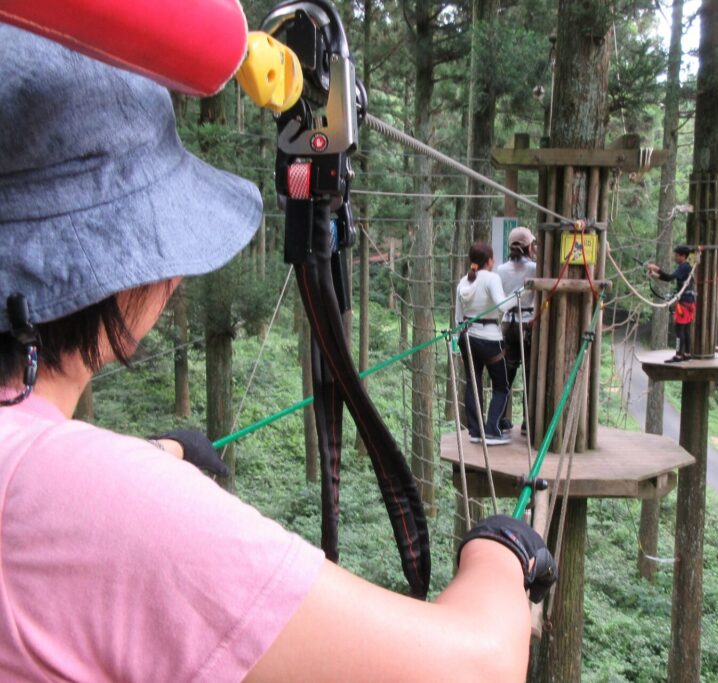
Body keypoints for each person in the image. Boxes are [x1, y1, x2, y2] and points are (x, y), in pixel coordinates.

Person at [0, 26, 554, 682]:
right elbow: (478, 667)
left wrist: (159, 456)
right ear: (127, 271)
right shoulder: (91, 502)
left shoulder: (52, 488)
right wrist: (501, 549)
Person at [455, 243, 517, 445]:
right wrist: (519, 295)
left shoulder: (463, 282)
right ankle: (492, 429)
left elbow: (458, 317)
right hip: (489, 338)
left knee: (473, 382)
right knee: (502, 385)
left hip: (466, 337)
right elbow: (502, 306)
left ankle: (475, 431)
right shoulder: (491, 278)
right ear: (489, 261)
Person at [496, 226, 537, 436]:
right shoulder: (535, 269)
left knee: (506, 374)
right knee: (530, 374)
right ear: (529, 246)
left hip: (507, 324)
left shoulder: (501, 270)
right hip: (528, 323)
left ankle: (499, 419)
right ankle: (528, 424)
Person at [647, 245, 697, 362]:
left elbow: (669, 277)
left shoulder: (684, 266)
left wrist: (656, 268)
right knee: (686, 330)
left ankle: (679, 355)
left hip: (684, 304)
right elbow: (669, 278)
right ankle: (687, 353)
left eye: (677, 255)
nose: (675, 257)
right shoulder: (687, 266)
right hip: (689, 303)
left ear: (682, 256)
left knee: (680, 330)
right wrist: (655, 275)